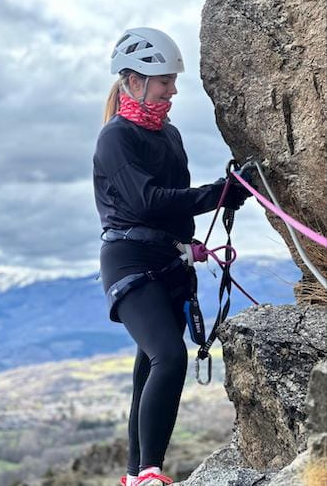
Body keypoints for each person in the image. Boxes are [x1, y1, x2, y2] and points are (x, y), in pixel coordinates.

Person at [92, 27, 250, 486]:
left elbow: (172, 203)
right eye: (165, 80)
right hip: (129, 261)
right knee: (168, 355)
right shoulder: (115, 138)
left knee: (149, 364)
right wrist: (218, 194)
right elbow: (146, 202)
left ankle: (134, 475)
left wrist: (198, 229)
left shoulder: (171, 135)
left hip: (168, 262)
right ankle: (149, 474)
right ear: (134, 79)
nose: (173, 89)